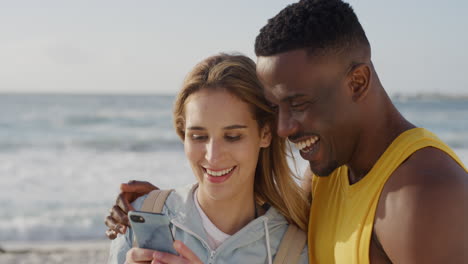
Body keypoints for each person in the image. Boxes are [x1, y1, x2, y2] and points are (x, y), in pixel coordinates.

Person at [107, 0, 468, 263]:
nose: (283, 128)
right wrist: (165, 208)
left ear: (357, 82)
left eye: (298, 103)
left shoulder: (426, 197)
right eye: (276, 107)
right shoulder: (328, 172)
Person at [107, 53, 310, 264]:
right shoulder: (140, 218)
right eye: (198, 136)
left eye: (232, 137)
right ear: (182, 134)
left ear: (265, 134)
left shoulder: (292, 249)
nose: (213, 156)